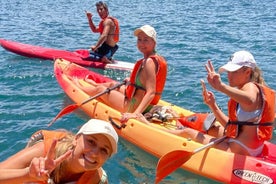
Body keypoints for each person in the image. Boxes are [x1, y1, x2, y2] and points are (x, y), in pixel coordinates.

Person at [162, 51, 275, 157]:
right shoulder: (254, 90)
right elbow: (231, 126)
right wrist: (212, 105)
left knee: (188, 132)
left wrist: (221, 87)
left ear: (247, 72)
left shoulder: (250, 87)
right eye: (228, 72)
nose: (229, 75)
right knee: (213, 129)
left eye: (234, 72)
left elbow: (250, 99)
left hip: (239, 150)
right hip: (252, 148)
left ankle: (158, 131)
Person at [73, 25, 167, 123]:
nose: (142, 43)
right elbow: (144, 82)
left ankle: (79, 88)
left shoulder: (149, 62)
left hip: (132, 106)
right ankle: (93, 84)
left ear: (154, 42)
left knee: (101, 90)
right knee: (113, 85)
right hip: (138, 99)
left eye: (146, 40)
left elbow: (151, 92)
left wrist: (135, 114)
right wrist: (131, 81)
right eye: (139, 39)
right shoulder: (154, 58)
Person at [0, 119, 118, 184]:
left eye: (104, 150)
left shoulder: (97, 179)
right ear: (76, 139)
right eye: (91, 141)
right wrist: (27, 175)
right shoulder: (43, 151)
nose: (95, 153)